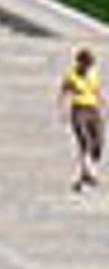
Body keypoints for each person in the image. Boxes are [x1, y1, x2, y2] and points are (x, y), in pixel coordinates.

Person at [60, 47, 102, 192]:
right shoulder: (72, 76)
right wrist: (64, 111)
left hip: (94, 110)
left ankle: (86, 174)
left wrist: (103, 107)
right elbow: (64, 93)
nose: (88, 67)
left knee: (98, 143)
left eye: (90, 64)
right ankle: (88, 172)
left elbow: (97, 91)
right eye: (86, 63)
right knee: (85, 141)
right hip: (79, 111)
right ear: (80, 62)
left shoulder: (94, 75)